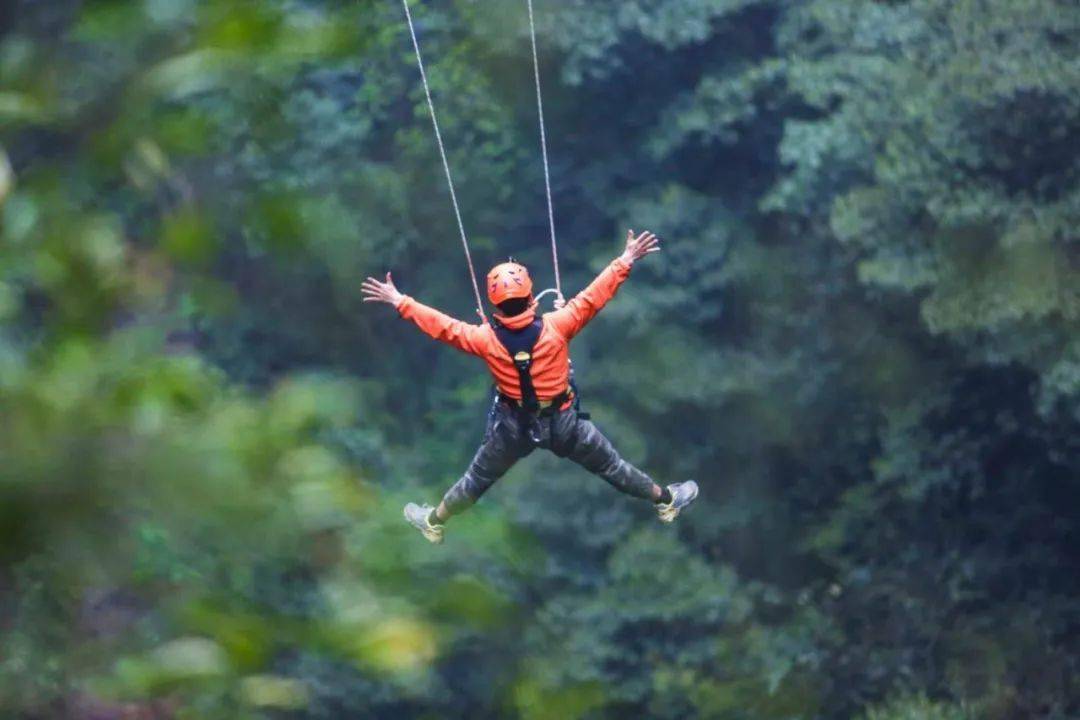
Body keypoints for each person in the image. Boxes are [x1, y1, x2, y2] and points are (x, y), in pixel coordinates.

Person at [361, 230, 698, 544]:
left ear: (495, 305)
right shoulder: (558, 326)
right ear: (531, 298)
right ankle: (666, 501)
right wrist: (626, 259)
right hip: (566, 422)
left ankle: (434, 521)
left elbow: (442, 327)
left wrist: (400, 300)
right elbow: (595, 296)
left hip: (514, 427)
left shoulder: (484, 339)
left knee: (477, 479)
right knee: (612, 467)